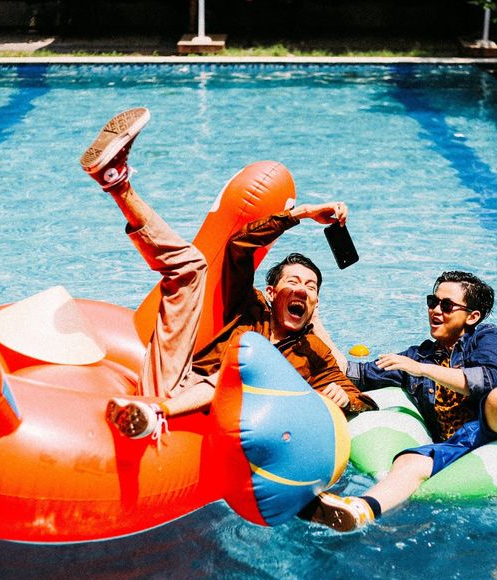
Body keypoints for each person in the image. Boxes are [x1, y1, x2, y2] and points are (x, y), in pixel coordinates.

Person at [79, 107, 374, 441]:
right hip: (174, 381)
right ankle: (116, 182)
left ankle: (154, 413)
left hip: (216, 415)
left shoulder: (314, 352)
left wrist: (345, 401)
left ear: (316, 301)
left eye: (310, 286)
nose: (302, 290)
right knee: (191, 268)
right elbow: (241, 245)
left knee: (244, 366)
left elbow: (363, 401)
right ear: (272, 292)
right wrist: (301, 214)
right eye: (293, 281)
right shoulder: (248, 308)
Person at [303, 271, 497, 542]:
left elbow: (489, 382)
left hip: (492, 426)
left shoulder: (488, 338)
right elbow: (349, 372)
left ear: (472, 316)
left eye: (446, 305)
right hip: (457, 444)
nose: (435, 310)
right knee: (409, 462)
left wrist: (421, 370)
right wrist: (314, 319)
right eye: (432, 302)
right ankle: (361, 510)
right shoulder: (418, 355)